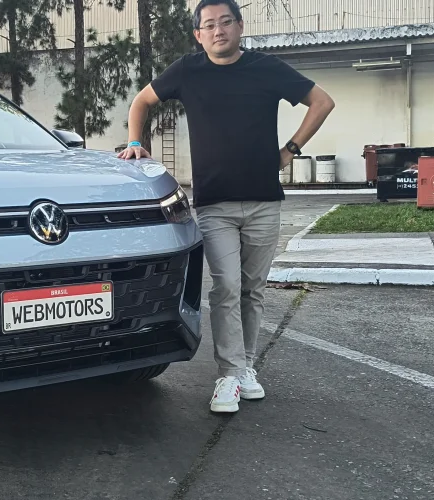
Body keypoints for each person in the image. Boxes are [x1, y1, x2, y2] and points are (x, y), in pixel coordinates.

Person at [117, 0, 334, 413]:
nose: (219, 30)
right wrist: (134, 142)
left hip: (264, 201)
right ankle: (229, 375)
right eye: (209, 25)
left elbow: (322, 101)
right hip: (215, 203)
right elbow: (141, 102)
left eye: (226, 22)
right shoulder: (187, 70)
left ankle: (245, 367)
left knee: (252, 290)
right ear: (198, 35)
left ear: (239, 26)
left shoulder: (266, 68)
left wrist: (289, 151)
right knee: (227, 287)